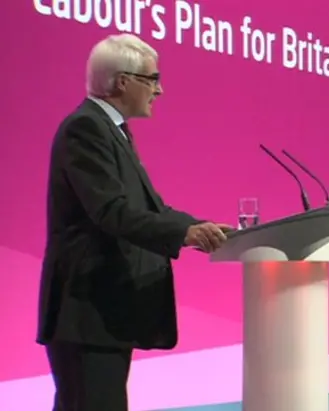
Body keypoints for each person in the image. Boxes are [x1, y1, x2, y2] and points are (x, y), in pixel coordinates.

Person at [37, 34, 232, 411]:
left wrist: (201, 226)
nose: (159, 90)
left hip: (103, 313)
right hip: (87, 310)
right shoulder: (86, 127)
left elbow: (150, 207)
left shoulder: (113, 131)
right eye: (153, 79)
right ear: (123, 82)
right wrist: (184, 232)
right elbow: (111, 210)